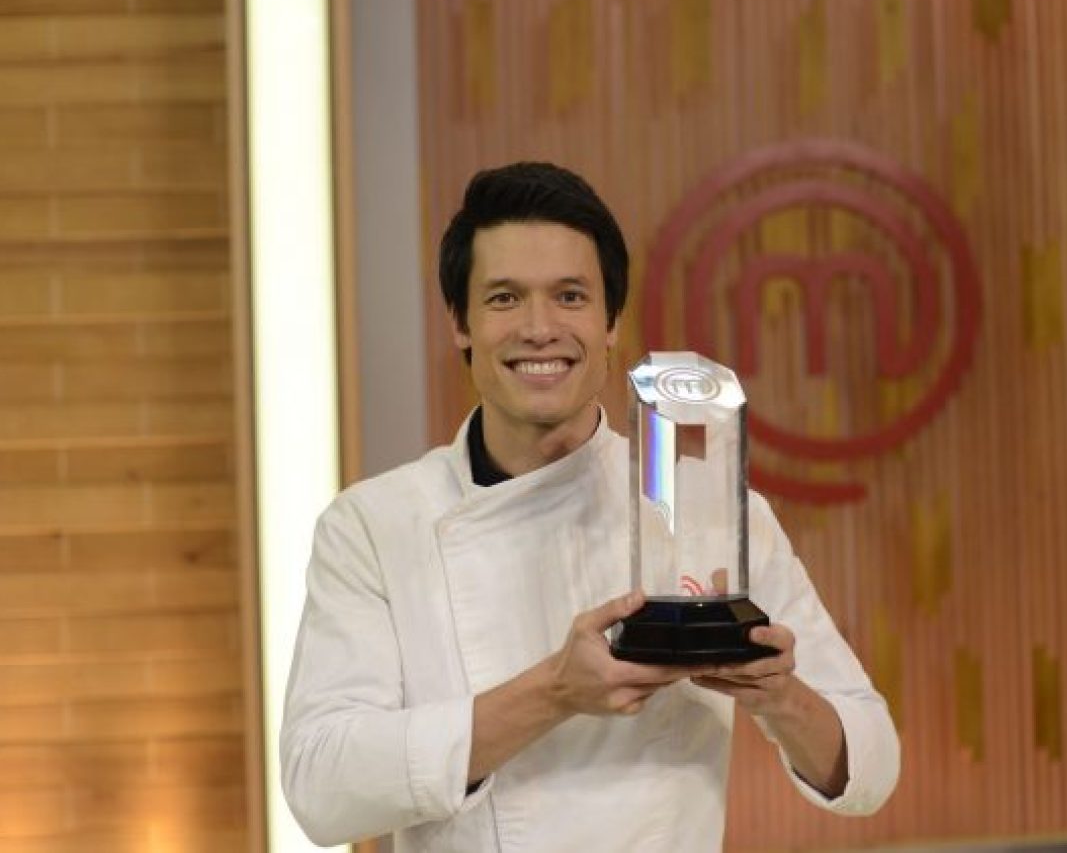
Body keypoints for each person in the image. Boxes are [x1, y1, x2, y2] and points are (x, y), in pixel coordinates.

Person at [280, 162, 900, 851]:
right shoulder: (374, 526)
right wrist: (555, 691)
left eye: (570, 296)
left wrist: (779, 695)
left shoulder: (712, 512)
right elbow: (320, 789)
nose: (539, 328)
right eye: (505, 298)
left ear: (610, 324)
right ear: (460, 323)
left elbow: (872, 768)